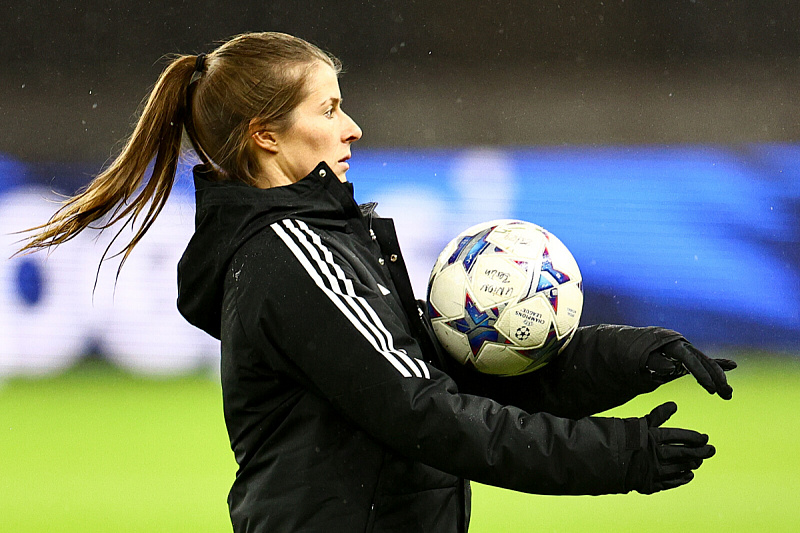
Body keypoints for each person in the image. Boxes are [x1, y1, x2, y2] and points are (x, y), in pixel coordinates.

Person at [19, 32, 736, 533]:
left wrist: (633, 357)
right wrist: (617, 456)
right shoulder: (291, 257)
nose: (352, 127)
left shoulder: (325, 241)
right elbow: (429, 414)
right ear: (266, 134)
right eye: (329, 109)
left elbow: (456, 375)